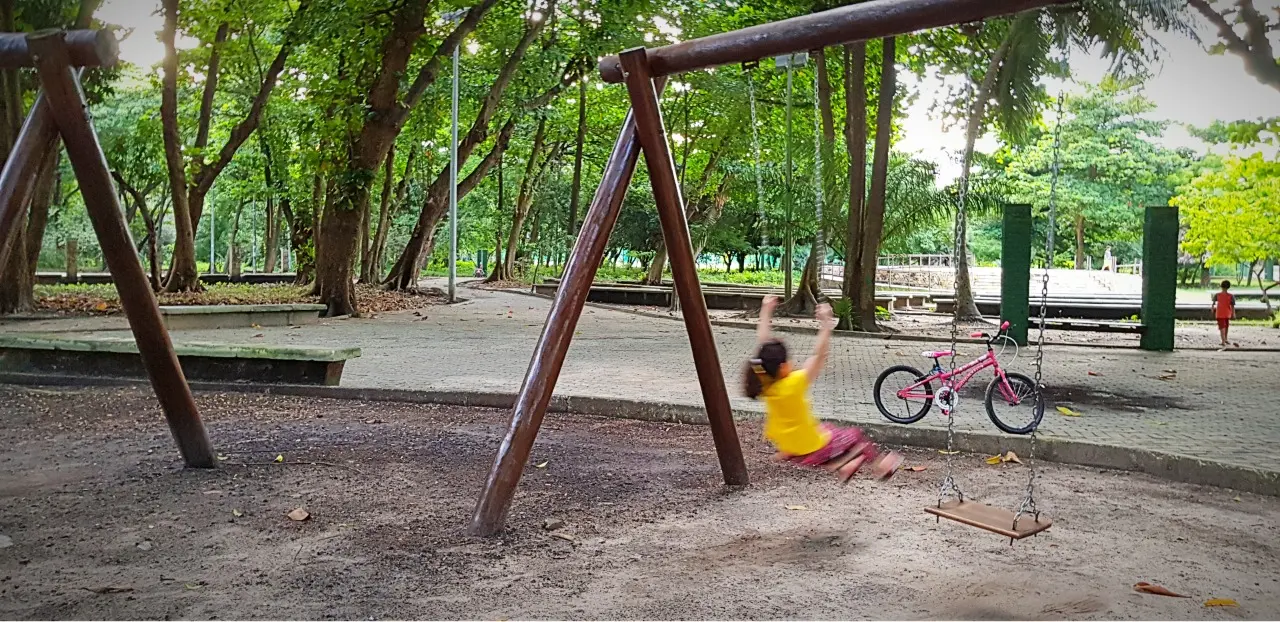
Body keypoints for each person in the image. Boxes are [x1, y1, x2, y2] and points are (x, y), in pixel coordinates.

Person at [744, 295, 903, 481]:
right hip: (812, 449)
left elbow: (763, 344)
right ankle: (881, 466)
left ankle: (846, 464)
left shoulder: (764, 383)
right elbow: (819, 355)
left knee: (827, 429)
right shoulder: (793, 383)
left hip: (790, 448)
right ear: (783, 367)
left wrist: (766, 310)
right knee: (855, 437)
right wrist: (826, 324)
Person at [1212, 280, 1236, 348]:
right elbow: (1232, 306)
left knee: (1222, 327)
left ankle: (1223, 341)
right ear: (1229, 287)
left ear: (1221, 286)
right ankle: (1225, 339)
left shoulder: (1217, 295)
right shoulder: (1231, 296)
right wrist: (1233, 313)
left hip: (1219, 313)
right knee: (1226, 326)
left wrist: (1212, 309)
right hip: (1227, 313)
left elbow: (1213, 304)